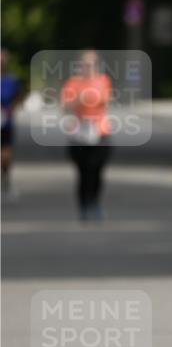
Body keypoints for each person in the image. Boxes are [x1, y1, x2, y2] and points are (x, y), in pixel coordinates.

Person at [60, 49, 113, 221]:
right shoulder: (73, 83)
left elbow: (104, 100)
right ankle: (83, 206)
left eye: (91, 63)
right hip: (79, 132)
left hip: (99, 131)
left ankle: (95, 203)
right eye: (85, 63)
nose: (88, 67)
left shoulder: (102, 80)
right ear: (80, 65)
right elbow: (66, 106)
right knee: (83, 172)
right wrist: (80, 99)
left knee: (97, 170)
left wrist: (88, 98)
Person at [1, 48, 25, 199]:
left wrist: (12, 109)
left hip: (6, 120)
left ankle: (5, 175)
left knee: (6, 152)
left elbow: (19, 97)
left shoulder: (11, 80)